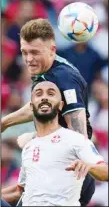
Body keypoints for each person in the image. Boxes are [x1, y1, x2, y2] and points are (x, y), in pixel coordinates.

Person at [2, 18, 94, 206]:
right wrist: (4, 123)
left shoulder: (64, 79)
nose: (28, 59)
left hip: (65, 178)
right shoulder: (47, 70)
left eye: (34, 52)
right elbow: (36, 106)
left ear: (52, 49)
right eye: (24, 52)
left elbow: (79, 136)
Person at [1, 81, 108, 206]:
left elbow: (106, 172)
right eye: (38, 94)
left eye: (51, 94)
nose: (44, 97)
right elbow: (19, 191)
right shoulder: (29, 147)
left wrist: (89, 166)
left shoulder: (75, 139)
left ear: (61, 105)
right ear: (31, 106)